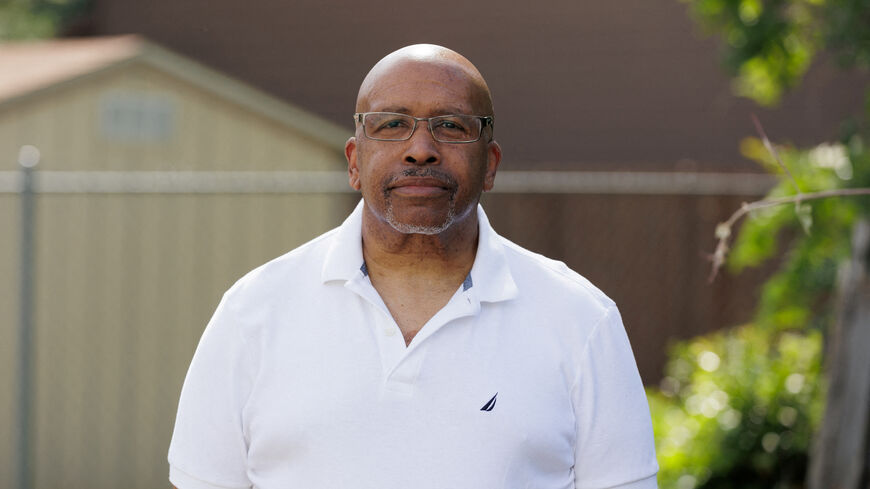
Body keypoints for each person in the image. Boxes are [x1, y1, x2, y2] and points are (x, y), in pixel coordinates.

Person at [168, 44, 658, 489]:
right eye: (391, 124)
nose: (420, 149)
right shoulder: (253, 312)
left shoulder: (581, 320)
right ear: (354, 161)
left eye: (451, 126)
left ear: (490, 164)